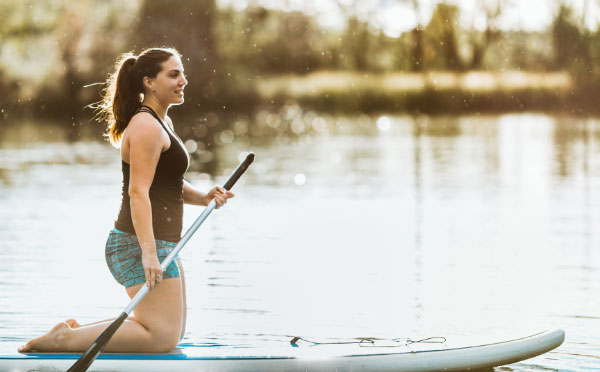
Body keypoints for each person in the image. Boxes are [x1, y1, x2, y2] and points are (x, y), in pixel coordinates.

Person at [18, 47, 233, 353]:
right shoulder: (146, 126)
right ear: (149, 82)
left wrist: (204, 196)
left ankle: (73, 333)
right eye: (173, 74)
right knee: (161, 337)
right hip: (137, 244)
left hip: (159, 242)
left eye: (182, 73)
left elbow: (167, 184)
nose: (183, 80)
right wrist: (148, 253)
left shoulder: (162, 124)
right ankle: (64, 341)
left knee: (172, 333)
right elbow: (138, 192)